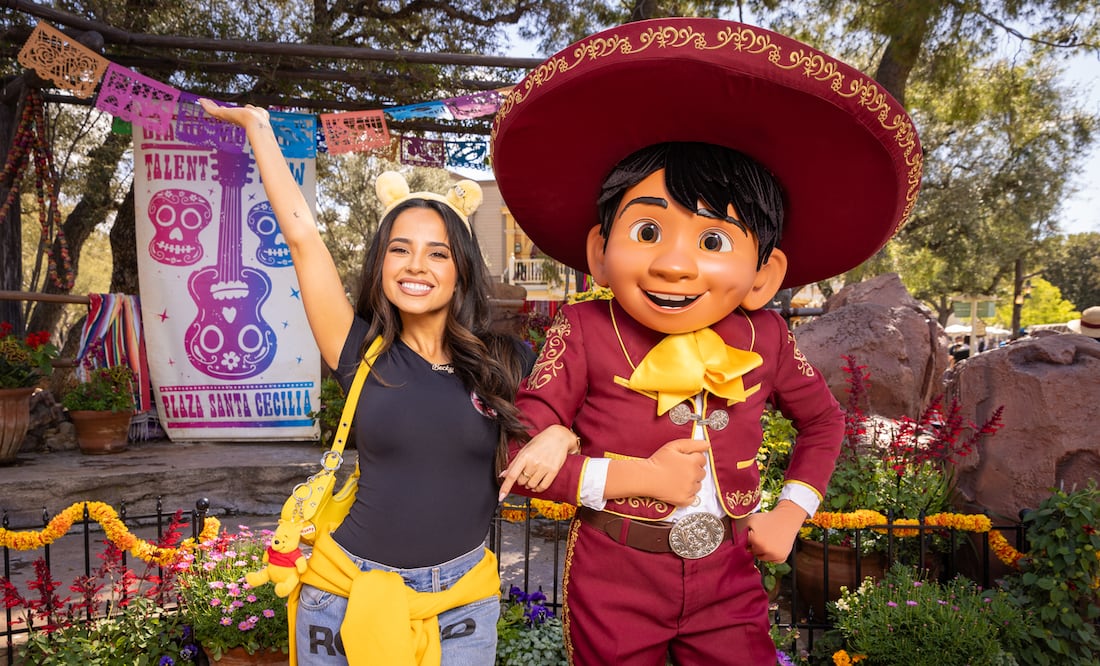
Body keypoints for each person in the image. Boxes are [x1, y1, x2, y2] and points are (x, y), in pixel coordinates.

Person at [493, 17, 921, 664]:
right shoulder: (583, 329)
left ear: (763, 274)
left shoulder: (767, 336)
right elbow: (522, 458)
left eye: (713, 241)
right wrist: (630, 474)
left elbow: (823, 425)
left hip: (728, 580)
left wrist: (790, 513)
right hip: (616, 576)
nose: (674, 265)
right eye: (647, 233)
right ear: (600, 254)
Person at [198, 100, 577, 666]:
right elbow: (302, 236)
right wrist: (259, 129)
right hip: (344, 590)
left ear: (461, 270)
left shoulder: (509, 359)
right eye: (399, 249)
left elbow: (581, 420)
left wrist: (561, 436)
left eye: (437, 253)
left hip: (462, 602)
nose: (415, 265)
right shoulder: (355, 350)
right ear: (380, 263)